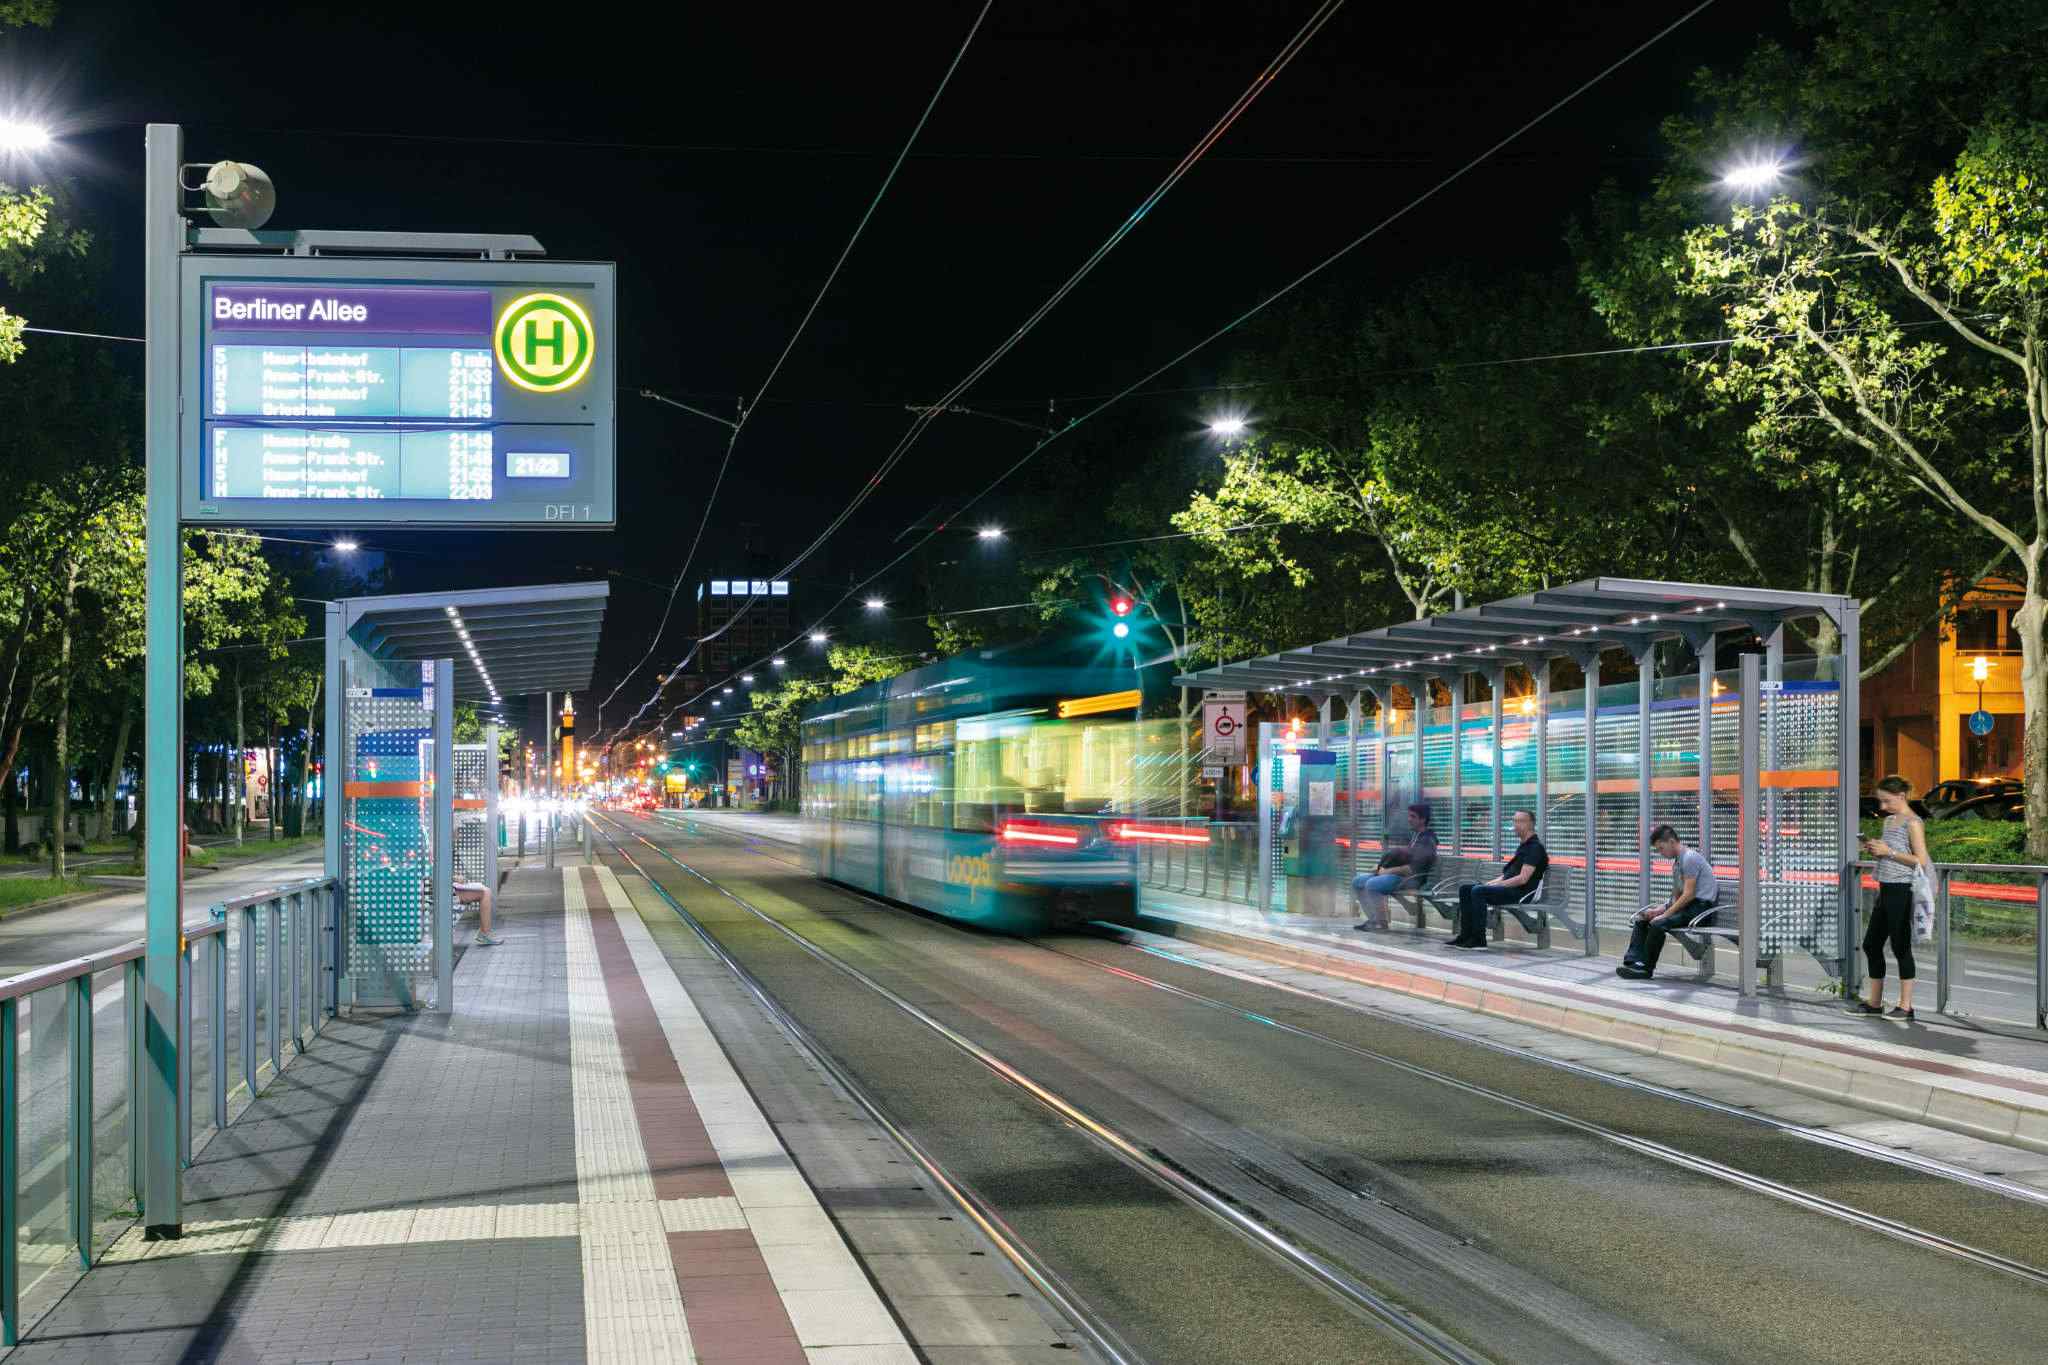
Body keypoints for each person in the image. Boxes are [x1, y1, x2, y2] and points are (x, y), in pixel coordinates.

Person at [1852, 775, 1928, 1020]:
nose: (1883, 807)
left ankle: (1906, 1007)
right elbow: (1890, 855)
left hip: (1903, 889)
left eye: (1887, 801)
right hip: (1885, 887)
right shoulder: (1889, 822)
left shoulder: (1913, 822)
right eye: (1881, 802)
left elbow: (1921, 861)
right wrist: (1877, 850)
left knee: (1900, 945)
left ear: (1901, 796)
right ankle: (1875, 1003)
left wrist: (1890, 851)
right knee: (1871, 944)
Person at [1617, 825, 1718, 980]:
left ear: (1671, 842)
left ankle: (1646, 968)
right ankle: (1633, 962)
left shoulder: (1689, 858)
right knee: (1643, 920)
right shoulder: (1678, 863)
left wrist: (1665, 915)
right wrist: (1658, 910)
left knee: (1658, 924)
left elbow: (1689, 895)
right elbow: (1676, 897)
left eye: (1661, 848)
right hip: (1689, 908)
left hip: (1700, 910)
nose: (1661, 853)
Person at [1449, 809, 1547, 949]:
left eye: (1521, 821)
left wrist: (1498, 885)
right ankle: (1465, 935)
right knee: (1466, 889)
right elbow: (1509, 874)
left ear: (1531, 824)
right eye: (1515, 821)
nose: (1516, 824)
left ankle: (1479, 940)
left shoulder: (1535, 848)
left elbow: (1523, 879)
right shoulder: (1524, 846)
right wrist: (1491, 883)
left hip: (1521, 893)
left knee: (1478, 892)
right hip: (1511, 889)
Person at [1354, 804, 1437, 931]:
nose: (1409, 819)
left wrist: (1385, 871)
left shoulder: (1427, 840)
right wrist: (1380, 867)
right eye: (1409, 816)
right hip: (1400, 876)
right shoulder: (1416, 836)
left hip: (1412, 879)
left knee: (1372, 884)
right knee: (1357, 881)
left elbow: (1412, 869)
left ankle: (1379, 922)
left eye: (1413, 816)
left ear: (1423, 819)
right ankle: (1373, 919)